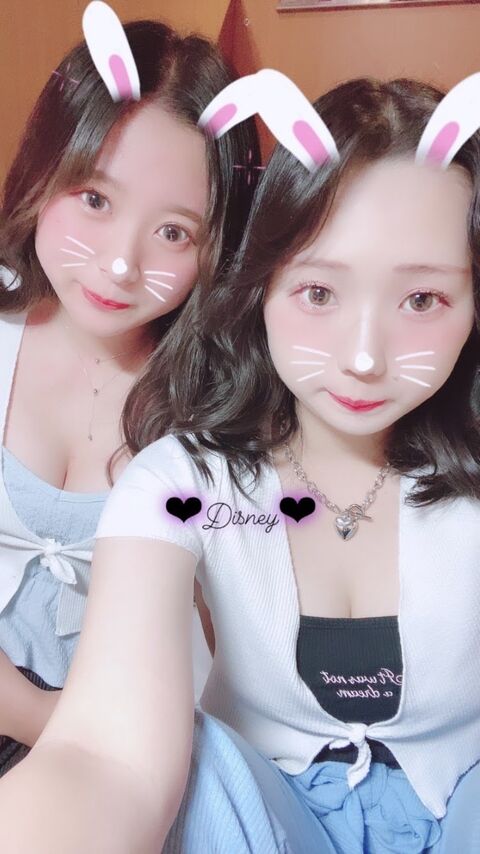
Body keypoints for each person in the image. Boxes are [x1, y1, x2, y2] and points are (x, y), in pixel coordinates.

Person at [1, 75, 480, 854]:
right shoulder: (180, 482)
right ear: (261, 285)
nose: (364, 357)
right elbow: (105, 758)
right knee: (190, 764)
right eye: (319, 292)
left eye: (421, 300)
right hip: (261, 820)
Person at [0, 15, 258, 776]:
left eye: (174, 233)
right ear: (44, 170)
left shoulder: (222, 392)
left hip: (132, 754)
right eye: (94, 199)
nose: (120, 265)